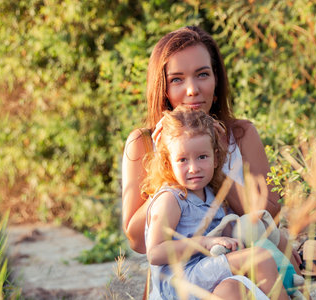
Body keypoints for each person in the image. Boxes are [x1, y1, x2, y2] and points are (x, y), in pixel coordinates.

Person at [121, 25, 301, 294]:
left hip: (244, 273)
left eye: (202, 74)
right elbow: (138, 241)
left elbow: (268, 216)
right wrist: (168, 165)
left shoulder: (241, 134)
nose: (192, 89)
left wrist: (215, 161)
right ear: (163, 88)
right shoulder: (143, 142)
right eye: (177, 79)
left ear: (216, 80)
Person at [143, 106, 288, 300]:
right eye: (182, 160)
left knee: (233, 290)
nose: (193, 168)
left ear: (216, 158)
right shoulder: (171, 199)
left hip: (207, 272)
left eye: (202, 157)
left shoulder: (213, 194)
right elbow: (155, 253)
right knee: (259, 258)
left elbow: (222, 230)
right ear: (169, 163)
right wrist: (203, 243)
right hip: (181, 281)